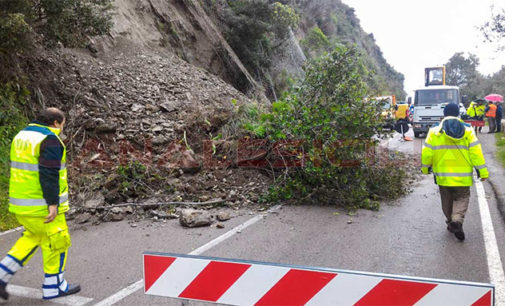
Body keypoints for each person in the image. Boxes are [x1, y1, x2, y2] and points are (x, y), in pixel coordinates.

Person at [0, 108, 80, 301]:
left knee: (31, 238)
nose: (62, 129)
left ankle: (1, 277)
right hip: (42, 206)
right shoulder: (49, 140)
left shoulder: (22, 136)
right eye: (62, 124)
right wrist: (52, 203)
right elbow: (48, 174)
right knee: (57, 241)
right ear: (54, 122)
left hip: (21, 204)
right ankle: (55, 286)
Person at [421, 103, 488, 241]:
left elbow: (427, 152)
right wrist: (483, 171)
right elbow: (476, 152)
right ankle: (456, 221)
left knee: (446, 200)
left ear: (444, 114)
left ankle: (451, 221)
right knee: (462, 198)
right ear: (458, 114)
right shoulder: (468, 130)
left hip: (443, 175)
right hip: (462, 176)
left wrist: (425, 167)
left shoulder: (434, 131)